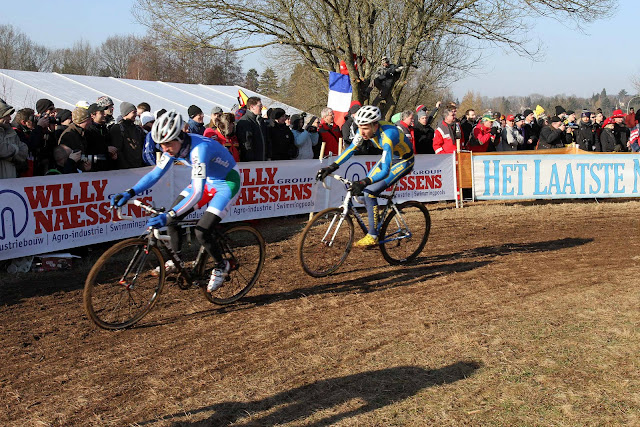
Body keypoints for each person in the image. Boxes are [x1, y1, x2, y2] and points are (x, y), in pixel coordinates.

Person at [111, 111, 241, 292]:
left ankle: (221, 265)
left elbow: (197, 192)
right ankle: (176, 260)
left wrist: (170, 214)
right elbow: (155, 174)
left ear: (179, 138)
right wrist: (130, 192)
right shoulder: (173, 147)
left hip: (226, 183)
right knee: (172, 217)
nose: (163, 149)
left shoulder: (199, 150)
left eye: (166, 144)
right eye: (160, 145)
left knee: (201, 231)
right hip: (207, 182)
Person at [315, 105, 414, 248]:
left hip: (404, 161)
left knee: (370, 192)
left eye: (365, 128)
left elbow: (385, 171)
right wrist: (331, 167)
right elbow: (351, 149)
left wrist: (363, 182)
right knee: (362, 195)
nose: (362, 132)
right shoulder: (363, 131)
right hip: (390, 158)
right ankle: (376, 220)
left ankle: (373, 235)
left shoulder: (388, 135)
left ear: (375, 125)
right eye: (360, 127)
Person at [110, 102, 145, 169]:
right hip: (125, 169)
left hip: (138, 167)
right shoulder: (118, 128)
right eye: (133, 112)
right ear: (126, 113)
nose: (136, 115)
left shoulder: (137, 129)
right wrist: (125, 167)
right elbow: (117, 150)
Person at [0, 100, 28, 179]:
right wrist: (15, 149)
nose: (10, 118)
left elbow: (24, 150)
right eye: (6, 115)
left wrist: (10, 155)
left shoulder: (11, 132)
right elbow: (1, 149)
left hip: (10, 182)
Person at [236, 96, 267, 161]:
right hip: (252, 162)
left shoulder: (260, 121)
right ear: (252, 107)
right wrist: (251, 160)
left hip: (263, 160)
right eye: (260, 105)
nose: (262, 107)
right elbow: (246, 143)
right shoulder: (245, 122)